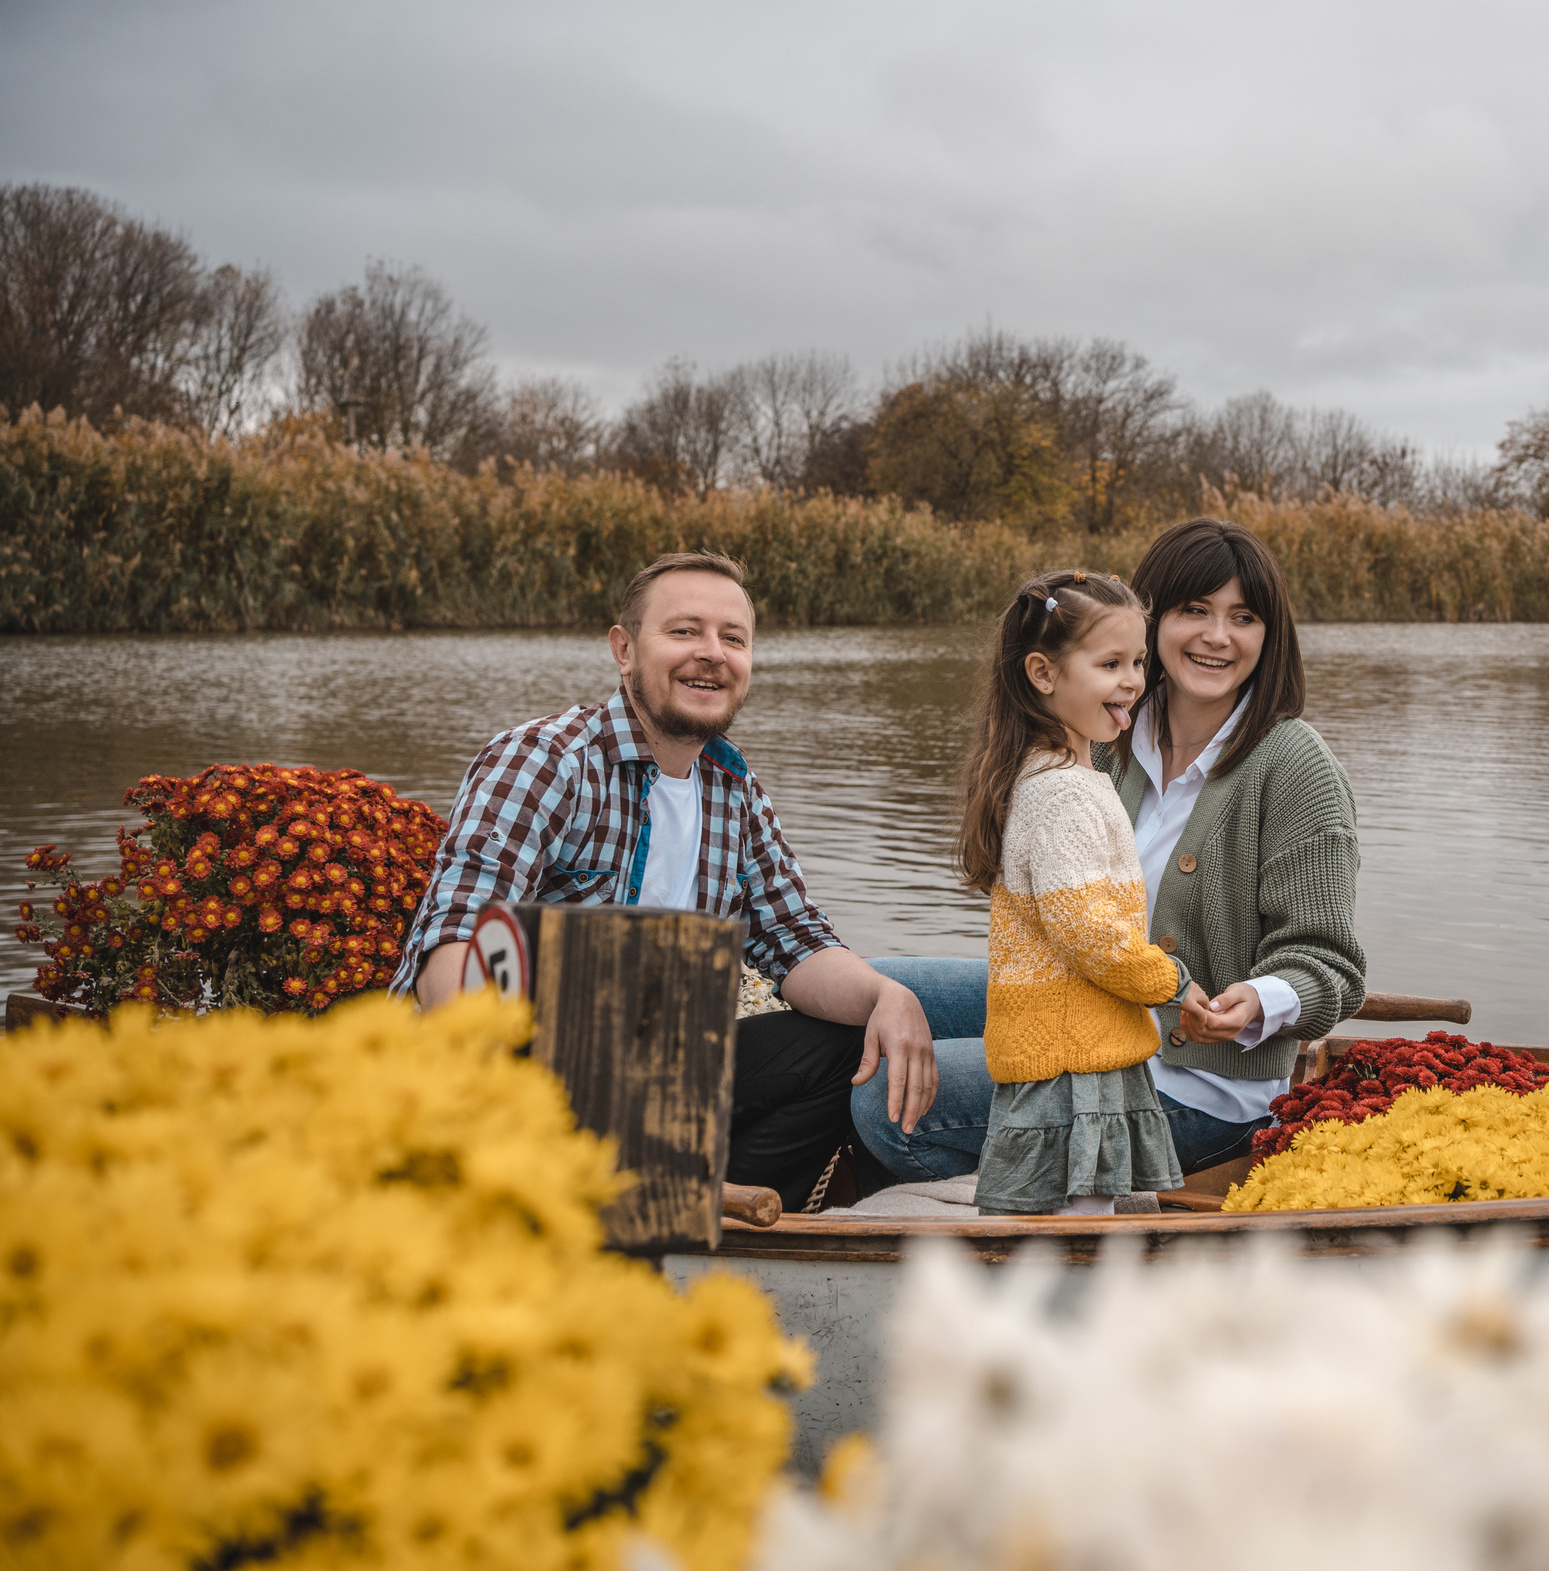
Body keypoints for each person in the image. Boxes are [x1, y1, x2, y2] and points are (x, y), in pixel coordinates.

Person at [392, 550, 936, 1210]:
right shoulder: (549, 758)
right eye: (684, 631)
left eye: (732, 638)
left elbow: (796, 941)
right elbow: (457, 939)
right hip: (508, 1077)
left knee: (843, 1049)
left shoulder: (733, 789)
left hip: (648, 1076)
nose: (711, 653)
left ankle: (710, 1217)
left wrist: (887, 995)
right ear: (624, 650)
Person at [852, 517, 1364, 1181]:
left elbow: (1332, 967)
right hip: (1086, 1005)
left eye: (1243, 616)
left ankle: (998, 1207)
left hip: (1189, 1089)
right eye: (1194, 610)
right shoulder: (1101, 732)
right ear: (1146, 621)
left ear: (1269, 636)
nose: (1217, 635)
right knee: (879, 989)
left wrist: (1262, 1000)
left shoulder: (1296, 766)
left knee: (884, 1101)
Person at [960, 570, 1189, 1215]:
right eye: (1110, 663)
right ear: (1044, 674)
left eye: (1139, 661)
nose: (1133, 681)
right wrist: (1172, 981)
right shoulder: (1059, 790)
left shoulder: (1071, 774)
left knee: (1085, 1224)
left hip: (1083, 1050)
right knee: (1069, 1232)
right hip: (1069, 1068)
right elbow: (1091, 936)